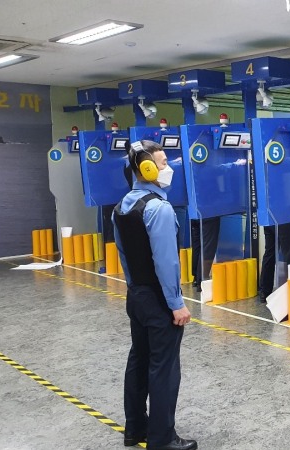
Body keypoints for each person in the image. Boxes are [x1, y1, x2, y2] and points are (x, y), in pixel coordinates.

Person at [113, 140, 197, 450]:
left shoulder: (121, 207)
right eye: (162, 163)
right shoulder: (159, 209)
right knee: (164, 369)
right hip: (159, 301)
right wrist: (176, 304)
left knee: (139, 360)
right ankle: (163, 439)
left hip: (136, 296)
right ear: (146, 169)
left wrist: (135, 290)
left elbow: (123, 255)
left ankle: (135, 429)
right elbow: (166, 262)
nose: (167, 168)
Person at [259, 223, 290, 303]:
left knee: (270, 252)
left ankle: (264, 291)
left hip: (268, 219)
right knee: (289, 255)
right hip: (283, 219)